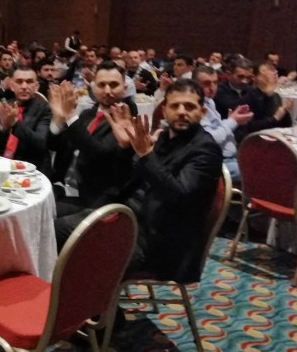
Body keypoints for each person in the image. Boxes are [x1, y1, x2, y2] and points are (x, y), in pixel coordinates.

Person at [55, 79, 223, 283]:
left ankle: (84, 299)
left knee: (66, 243)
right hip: (128, 220)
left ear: (202, 112)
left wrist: (145, 155)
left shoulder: (205, 150)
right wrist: (126, 148)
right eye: (175, 106)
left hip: (158, 245)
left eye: (189, 106)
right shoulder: (164, 139)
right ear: (164, 110)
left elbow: (178, 195)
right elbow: (125, 181)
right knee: (52, 227)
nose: (181, 111)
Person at [48, 62, 138, 214]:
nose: (107, 91)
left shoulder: (127, 120)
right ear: (93, 87)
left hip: (95, 199)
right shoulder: (87, 114)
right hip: (65, 187)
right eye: (102, 85)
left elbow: (98, 153)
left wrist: (69, 116)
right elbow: (54, 145)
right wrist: (58, 119)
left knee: (41, 217)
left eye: (113, 85)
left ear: (124, 88)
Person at [0, 67, 52, 175]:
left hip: (30, 167)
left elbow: (40, 142)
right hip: (0, 165)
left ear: (36, 86)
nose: (24, 86)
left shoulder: (44, 109)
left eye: (29, 82)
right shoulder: (4, 106)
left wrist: (15, 124)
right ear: (11, 85)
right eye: (19, 82)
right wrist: (1, 126)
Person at [193, 66, 253, 181]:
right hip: (217, 163)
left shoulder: (209, 101)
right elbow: (210, 139)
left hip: (230, 157)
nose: (212, 88)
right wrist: (233, 121)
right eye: (206, 84)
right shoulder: (196, 107)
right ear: (194, 85)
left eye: (215, 82)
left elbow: (216, 128)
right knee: (260, 172)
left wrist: (232, 119)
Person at [237, 62, 292, 141]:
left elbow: (287, 125)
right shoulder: (249, 97)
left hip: (276, 138)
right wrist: (275, 118)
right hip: (255, 140)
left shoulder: (276, 96)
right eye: (266, 77)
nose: (273, 79)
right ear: (256, 78)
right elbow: (248, 127)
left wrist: (285, 111)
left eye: (274, 77)